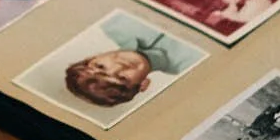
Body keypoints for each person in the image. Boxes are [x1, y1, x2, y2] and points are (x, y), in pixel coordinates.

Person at [62, 18, 199, 107]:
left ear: (93, 57)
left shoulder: (112, 23)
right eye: (122, 78)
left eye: (101, 67)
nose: (119, 66)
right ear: (143, 85)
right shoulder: (190, 64)